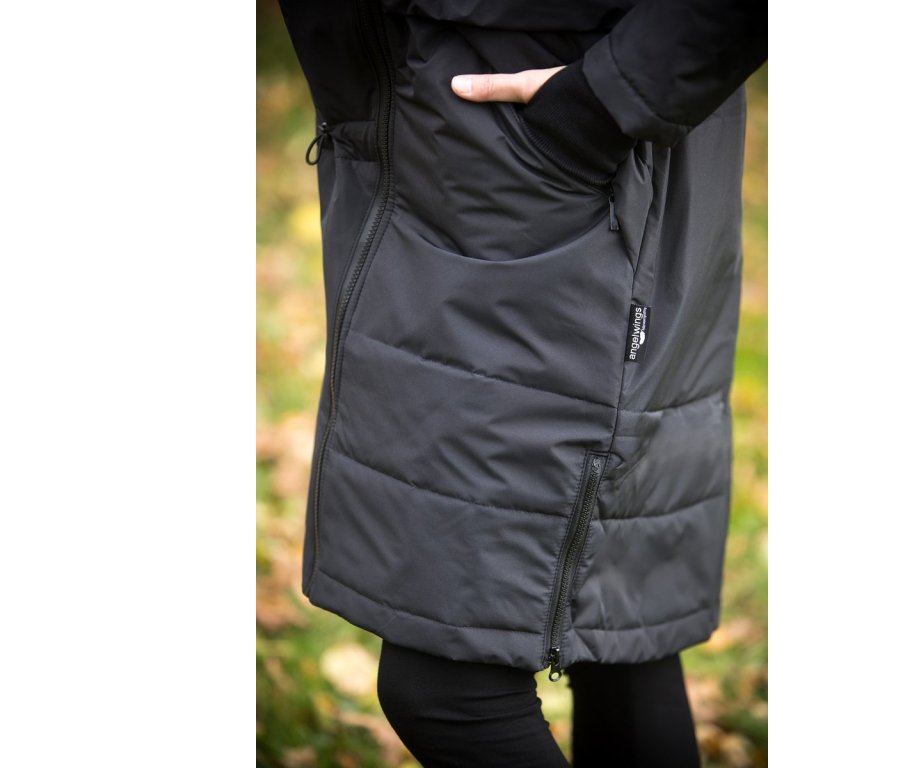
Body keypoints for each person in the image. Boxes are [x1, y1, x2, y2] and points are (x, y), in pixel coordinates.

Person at [278, 0, 767, 764]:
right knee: (617, 640)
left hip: (545, 157)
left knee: (450, 689)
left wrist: (612, 97)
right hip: (434, 133)